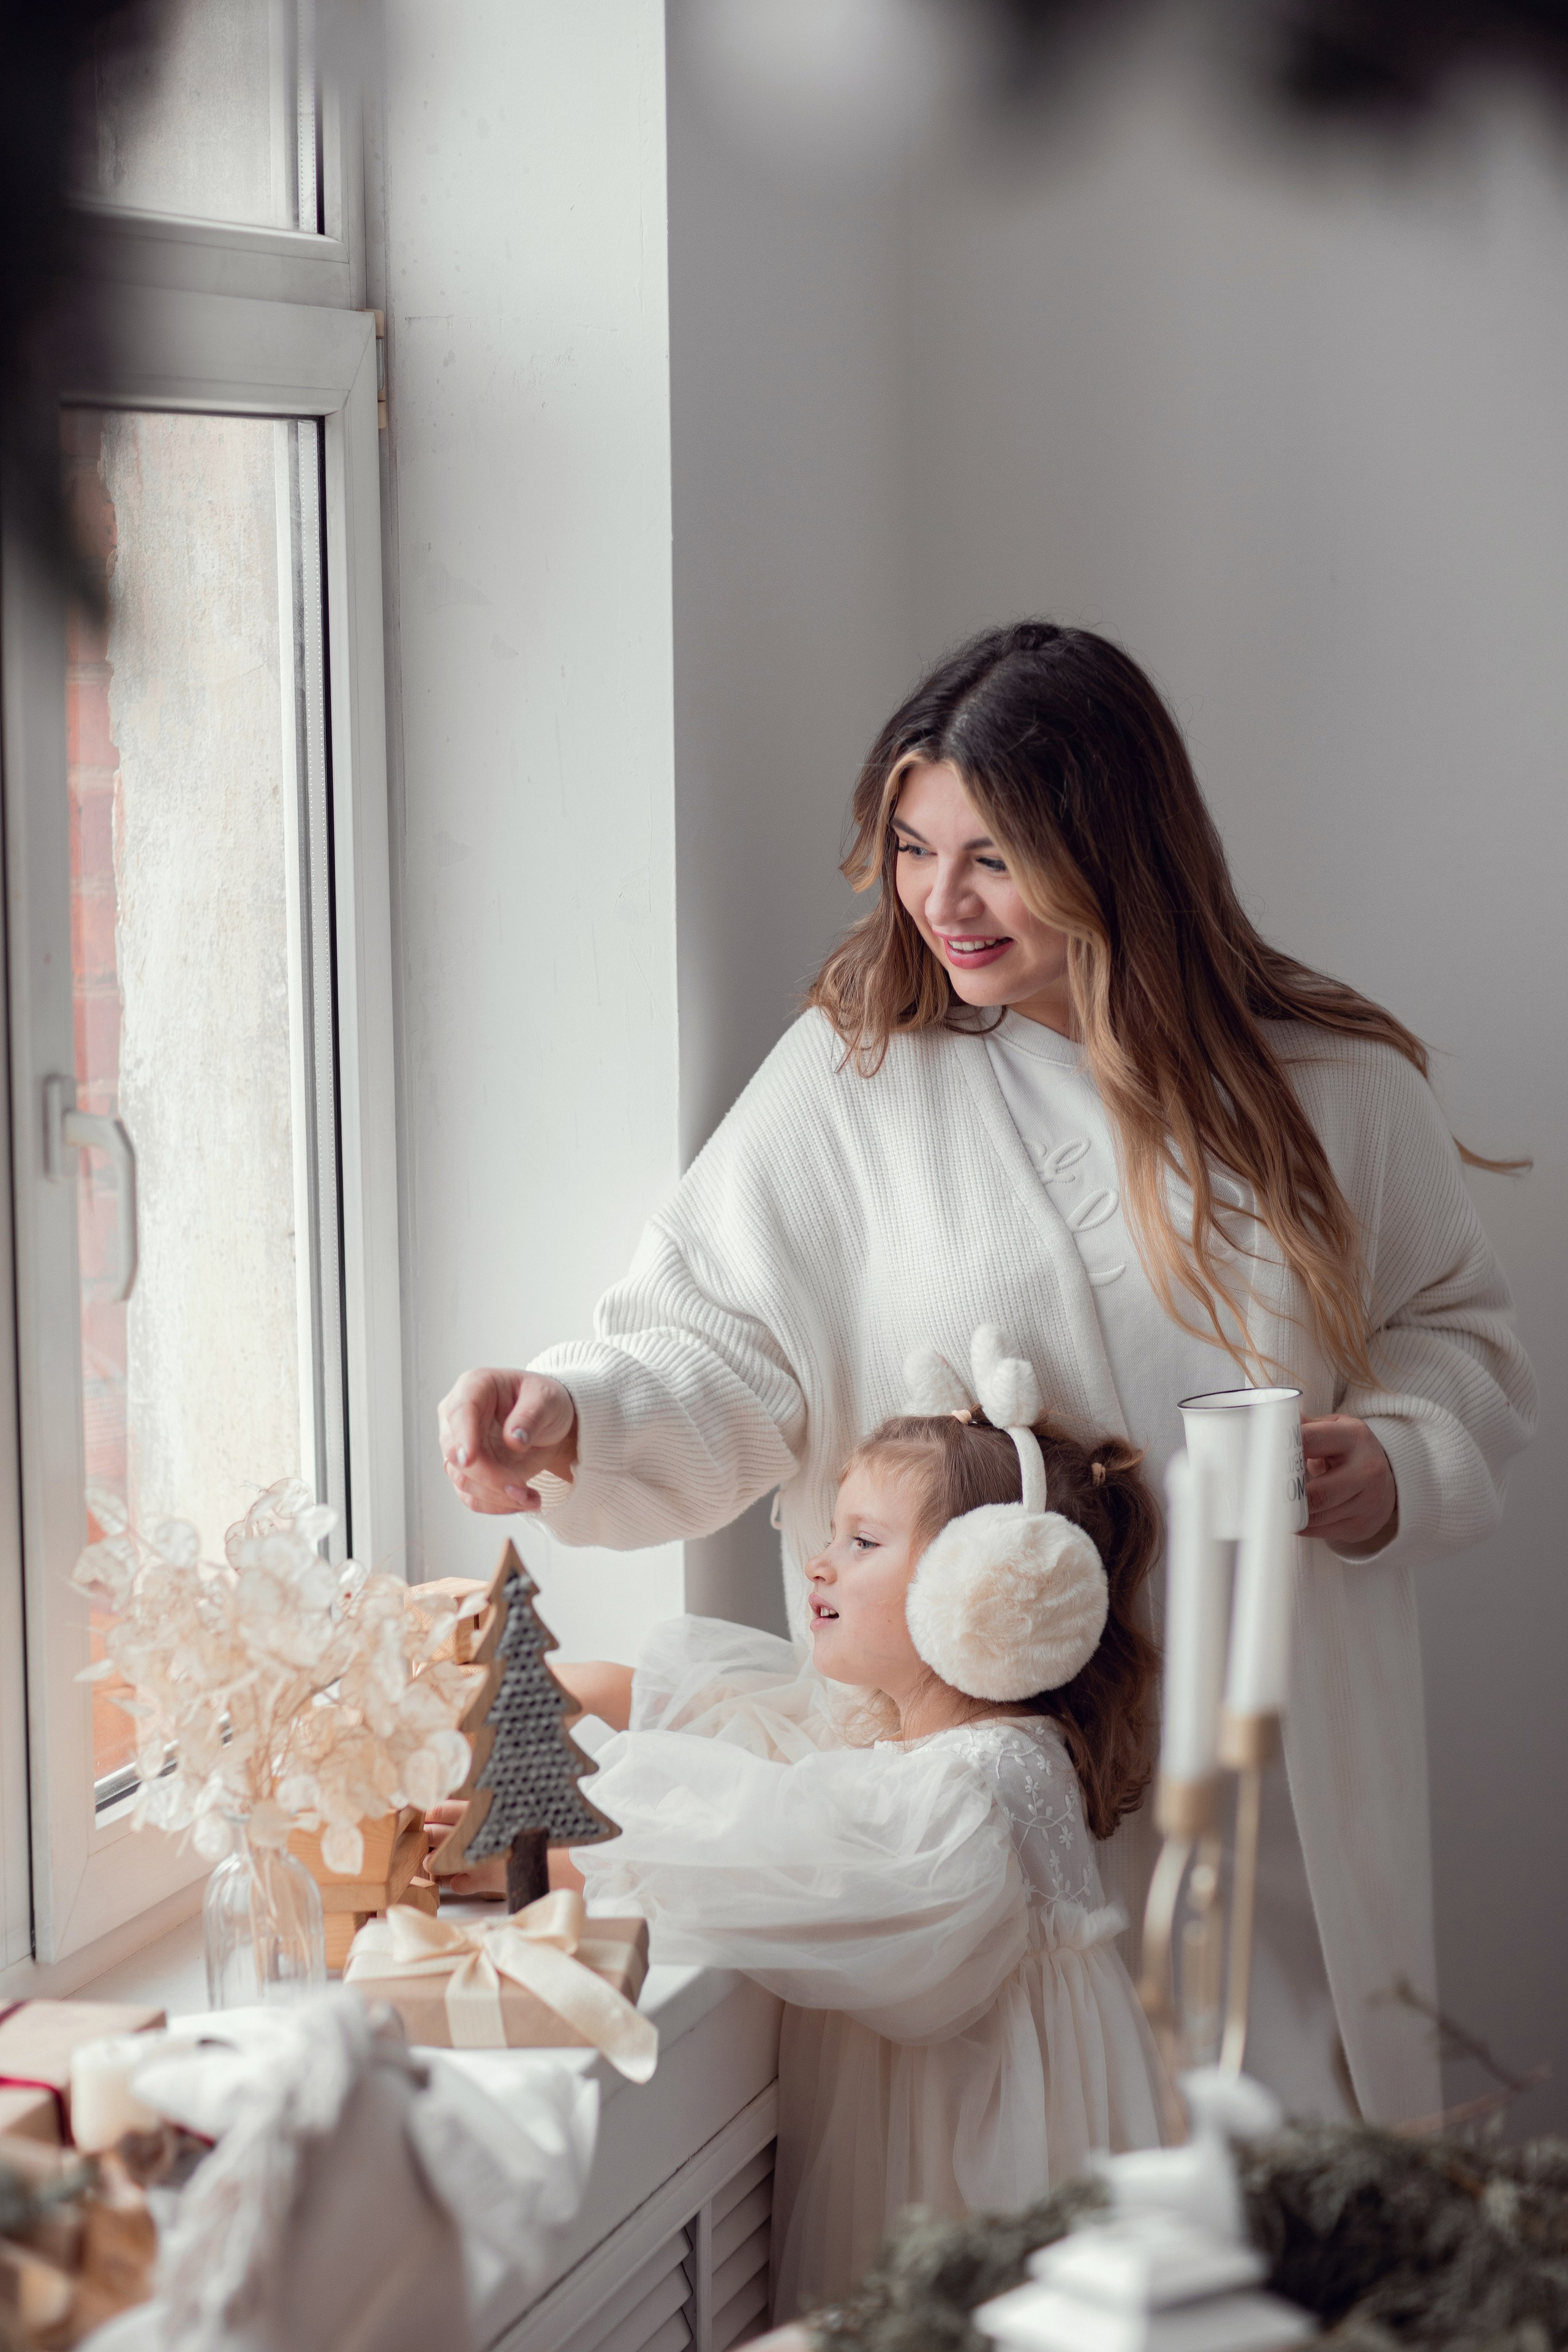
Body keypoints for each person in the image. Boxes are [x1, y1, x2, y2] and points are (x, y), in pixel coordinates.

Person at [440, 622, 1536, 2123]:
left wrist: (1389, 1458)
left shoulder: (1330, 1089)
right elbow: (722, 1347)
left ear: (1113, 851)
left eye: (993, 857)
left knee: (1283, 2207)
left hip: (1253, 1760)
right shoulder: (859, 1076)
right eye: (909, 848)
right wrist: (577, 1414)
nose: (940, 902)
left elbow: (1455, 1334)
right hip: (982, 1794)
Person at [435, 1331, 1172, 2321]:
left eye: (862, 1544)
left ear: (987, 1589)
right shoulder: (918, 1737)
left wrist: (534, 1850)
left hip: (967, 2214)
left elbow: (757, 1854)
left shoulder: (968, 1796)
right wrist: (498, 1683)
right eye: (832, 1534)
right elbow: (709, 1715)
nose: (820, 1566)